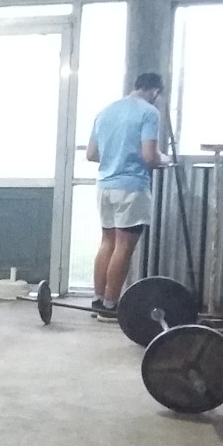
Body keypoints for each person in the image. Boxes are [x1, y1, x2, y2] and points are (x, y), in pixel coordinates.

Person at [87, 73, 166, 321]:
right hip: (131, 187)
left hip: (105, 186)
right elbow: (150, 157)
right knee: (124, 245)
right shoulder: (149, 113)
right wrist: (165, 159)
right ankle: (111, 306)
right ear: (155, 91)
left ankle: (99, 300)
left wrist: (115, 158)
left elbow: (91, 154)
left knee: (107, 242)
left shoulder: (105, 112)